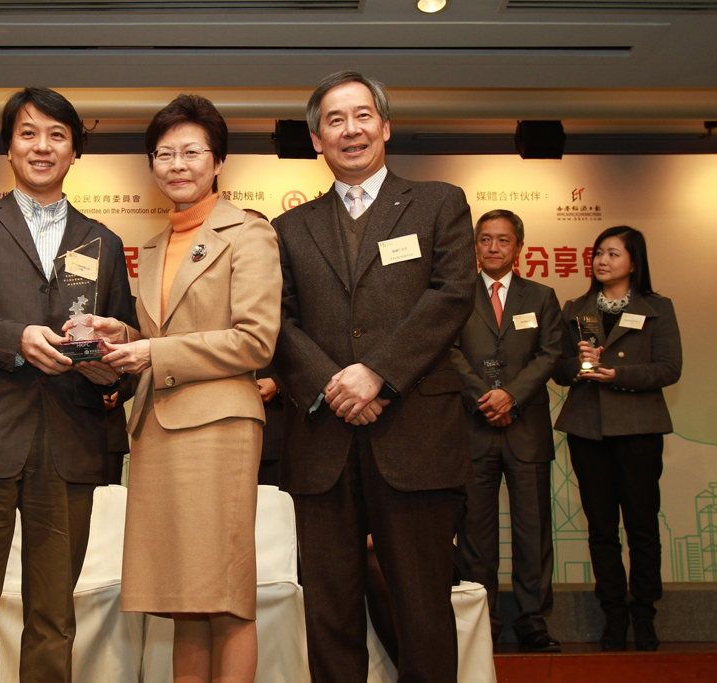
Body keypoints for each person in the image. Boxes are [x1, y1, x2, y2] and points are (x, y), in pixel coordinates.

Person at [0, 87, 135, 683]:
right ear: (9, 147)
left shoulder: (102, 241)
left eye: (57, 136)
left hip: (69, 442)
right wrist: (16, 339)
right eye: (29, 133)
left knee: (55, 614)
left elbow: (127, 342)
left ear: (74, 151)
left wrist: (112, 364)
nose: (43, 147)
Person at [272, 70, 476, 682]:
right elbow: (276, 323)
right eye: (334, 120)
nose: (350, 130)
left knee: (422, 608)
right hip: (322, 442)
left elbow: (451, 295)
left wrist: (379, 375)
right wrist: (338, 386)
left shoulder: (440, 202)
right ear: (316, 139)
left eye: (362, 116)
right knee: (329, 613)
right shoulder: (287, 229)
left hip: (414, 435)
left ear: (385, 127)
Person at [74, 94, 281, 682]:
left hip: (219, 427)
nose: (177, 164)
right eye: (163, 154)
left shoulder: (249, 234)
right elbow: (168, 333)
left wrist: (153, 350)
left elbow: (255, 341)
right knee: (181, 600)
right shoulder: (154, 245)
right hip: (158, 429)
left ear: (218, 162)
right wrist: (125, 333)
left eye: (191, 151)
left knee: (227, 596)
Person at [553, 225, 681, 652]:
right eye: (598, 253)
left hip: (639, 430)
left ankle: (644, 613)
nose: (602, 261)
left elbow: (668, 368)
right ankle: (613, 614)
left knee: (642, 526)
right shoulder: (576, 308)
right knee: (601, 528)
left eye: (612, 253)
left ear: (633, 261)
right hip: (588, 430)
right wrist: (579, 366)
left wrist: (618, 375)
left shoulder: (657, 308)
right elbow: (557, 368)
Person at [449, 209, 563, 651]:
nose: (493, 248)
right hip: (473, 427)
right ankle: (484, 622)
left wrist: (511, 395)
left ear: (519, 248)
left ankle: (533, 620)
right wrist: (486, 397)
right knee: (476, 533)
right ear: (473, 246)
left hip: (526, 429)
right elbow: (450, 353)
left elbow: (551, 353)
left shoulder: (542, 296)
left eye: (502, 240)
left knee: (532, 529)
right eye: (484, 240)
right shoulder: (456, 296)